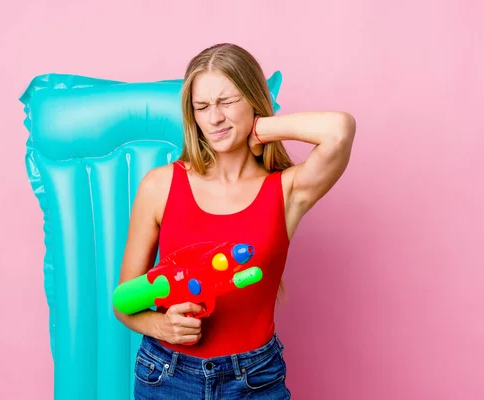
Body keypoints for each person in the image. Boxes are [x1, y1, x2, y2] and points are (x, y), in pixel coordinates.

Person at [114, 43, 356, 399]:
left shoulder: (286, 191)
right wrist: (161, 325)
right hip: (167, 376)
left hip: (255, 379)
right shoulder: (160, 185)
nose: (214, 119)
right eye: (202, 106)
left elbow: (339, 130)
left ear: (255, 102)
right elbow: (124, 302)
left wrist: (259, 131)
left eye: (227, 102)